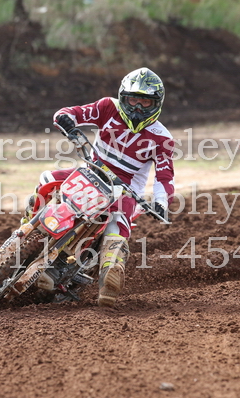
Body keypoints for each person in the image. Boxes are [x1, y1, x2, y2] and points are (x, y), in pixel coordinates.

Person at [26, 67, 175, 307]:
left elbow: (164, 177)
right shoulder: (108, 107)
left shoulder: (162, 137)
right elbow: (72, 113)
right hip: (90, 172)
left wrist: (161, 203)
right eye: (133, 100)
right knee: (47, 179)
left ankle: (110, 276)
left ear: (157, 104)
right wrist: (66, 120)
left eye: (145, 102)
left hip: (125, 191)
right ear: (123, 97)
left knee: (117, 223)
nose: (137, 108)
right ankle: (27, 232)